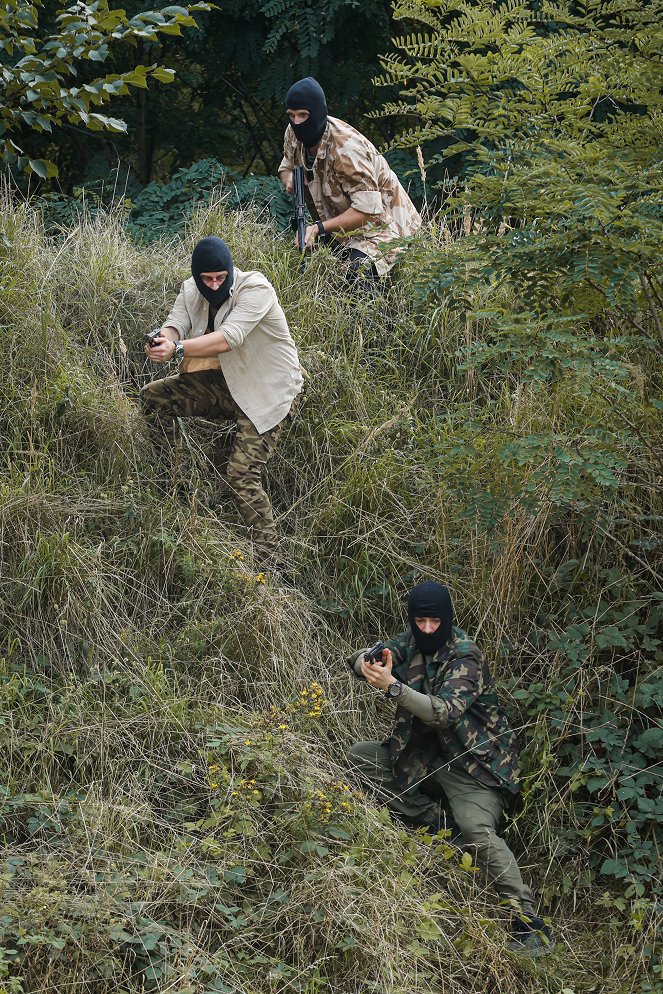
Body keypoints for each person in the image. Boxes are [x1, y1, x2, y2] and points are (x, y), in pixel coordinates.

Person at [347, 581, 554, 956]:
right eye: (420, 621)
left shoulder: (465, 655)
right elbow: (363, 661)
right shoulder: (409, 641)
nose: (427, 629)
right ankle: (440, 826)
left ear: (447, 619)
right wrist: (366, 661)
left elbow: (444, 713)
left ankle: (527, 920)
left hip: (475, 766)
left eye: (434, 622)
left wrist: (393, 687)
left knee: (477, 830)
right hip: (423, 759)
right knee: (361, 757)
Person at [140, 236, 303, 566]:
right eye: (207, 279)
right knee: (153, 398)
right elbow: (176, 325)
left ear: (230, 272)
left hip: (268, 392)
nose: (214, 285)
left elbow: (230, 338)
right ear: (197, 276)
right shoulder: (190, 290)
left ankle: (271, 562)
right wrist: (162, 340)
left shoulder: (255, 289)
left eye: (220, 278)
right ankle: (176, 483)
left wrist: (179, 349)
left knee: (241, 475)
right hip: (226, 384)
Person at [278, 77, 421, 281]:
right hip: (342, 226)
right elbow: (286, 166)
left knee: (356, 272)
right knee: (306, 262)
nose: (297, 122)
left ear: (318, 113)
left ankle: (373, 313)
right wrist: (289, 179)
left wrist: (319, 228)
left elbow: (368, 212)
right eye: (291, 115)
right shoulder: (293, 134)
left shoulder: (346, 150)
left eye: (303, 115)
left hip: (385, 227)